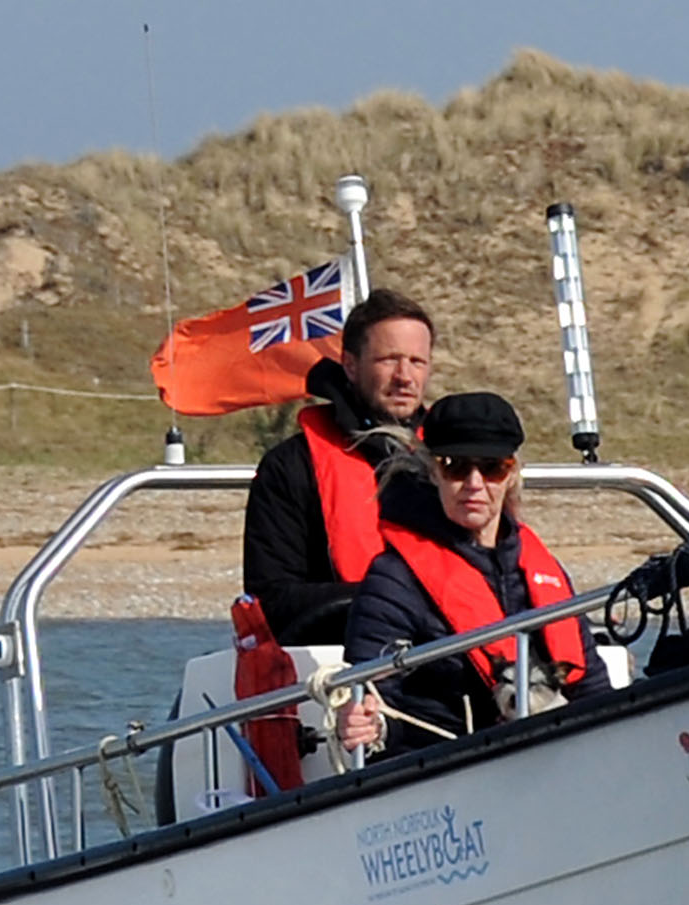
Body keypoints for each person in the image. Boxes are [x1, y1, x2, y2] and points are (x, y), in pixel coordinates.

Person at [335, 390, 585, 753]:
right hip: (446, 767)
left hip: (552, 757)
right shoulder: (393, 579)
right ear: (434, 471)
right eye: (455, 466)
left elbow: (591, 685)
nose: (474, 483)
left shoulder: (542, 569)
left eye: (492, 467)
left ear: (511, 474)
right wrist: (366, 723)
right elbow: (375, 697)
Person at [241, 289, 437, 658]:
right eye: (389, 360)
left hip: (451, 659)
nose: (404, 377)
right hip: (337, 667)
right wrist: (388, 599)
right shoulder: (290, 467)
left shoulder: (456, 463)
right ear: (350, 365)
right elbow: (273, 601)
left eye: (417, 361)